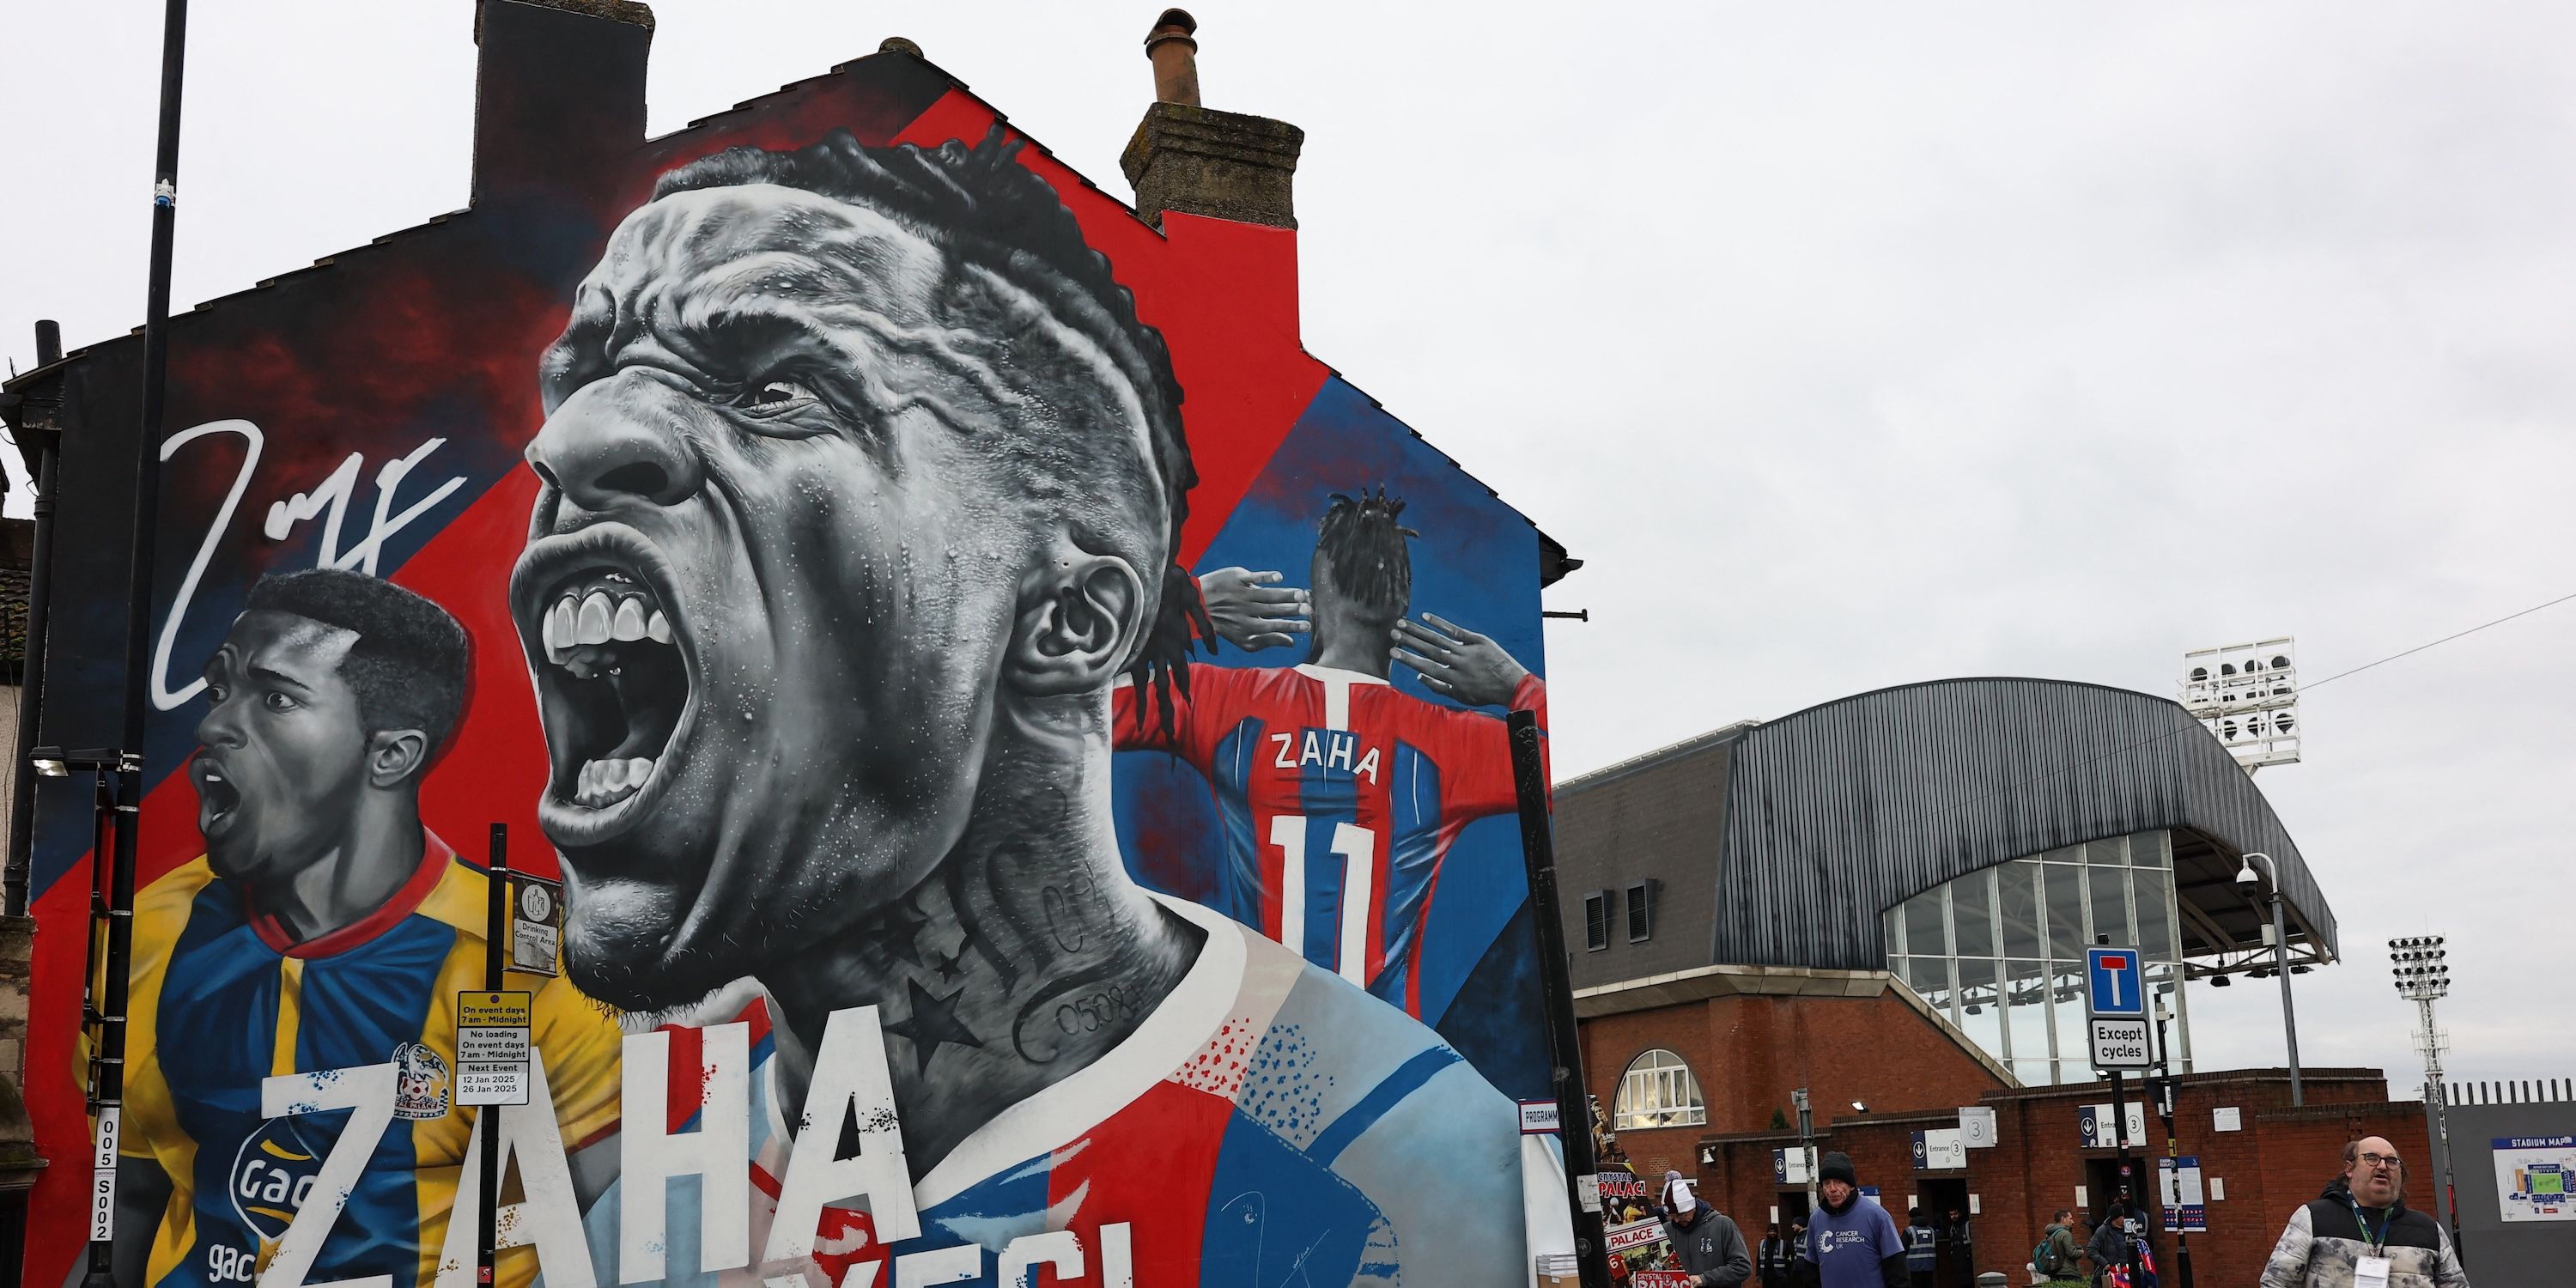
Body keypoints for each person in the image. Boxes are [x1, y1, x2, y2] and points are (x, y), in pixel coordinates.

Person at [513, 125, 1530, 1285]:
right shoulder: (647, 1205)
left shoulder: (1384, 1179)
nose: (569, 436)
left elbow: (1151, 707)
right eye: (586, 373)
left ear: (1071, 623)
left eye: (779, 388)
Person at [112, 569, 624, 1288]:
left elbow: (596, 1225)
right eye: (220, 690)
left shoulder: (525, 963)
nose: (213, 725)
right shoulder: (154, 932)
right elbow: (132, 1199)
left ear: (391, 755)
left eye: (277, 697)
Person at [1115, 489, 1546, 1012]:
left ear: (1315, 598)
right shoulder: (1447, 745)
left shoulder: (1223, 705)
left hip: (1264, 1064)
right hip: (1386, 1075)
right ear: (1401, 608)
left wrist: (1187, 611)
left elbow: (1065, 701)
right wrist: (1517, 687)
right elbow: (1556, 770)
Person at [2258, 1135, 2469, 1287]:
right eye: (2372, 1158)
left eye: (2391, 1161)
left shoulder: (2428, 1229)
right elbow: (2276, 1282)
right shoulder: (2313, 1218)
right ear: (2349, 1169)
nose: (2383, 1166)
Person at [1791, 1152, 1905, 1288]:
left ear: (1851, 1185)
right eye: (1827, 1183)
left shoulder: (1877, 1216)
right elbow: (1811, 1273)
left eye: (1839, 1182)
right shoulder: (1816, 1220)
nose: (1832, 1189)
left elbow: (1898, 1273)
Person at [1657, 1171, 1753, 1288]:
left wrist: (1704, 1279)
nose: (1676, 1221)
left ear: (1691, 1207)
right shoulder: (1666, 1231)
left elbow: (1742, 1267)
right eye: (1672, 1217)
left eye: (1680, 1215)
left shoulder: (1723, 1225)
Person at [2033, 1209, 2085, 1286]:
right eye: (2070, 1219)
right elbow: (2071, 1253)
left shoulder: (2051, 1233)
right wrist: (2081, 1252)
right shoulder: (2065, 1233)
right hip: (2068, 1272)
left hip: (2055, 1271)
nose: (2073, 1222)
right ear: (2063, 1219)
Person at [1904, 1206, 1937, 1287]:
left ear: (1911, 1217)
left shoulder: (1909, 1231)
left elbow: (1903, 1248)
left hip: (1914, 1267)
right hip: (1929, 1265)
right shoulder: (1931, 1230)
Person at [1758, 1220, 1795, 1288]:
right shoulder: (1762, 1244)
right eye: (1771, 1231)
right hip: (1766, 1277)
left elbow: (1789, 1258)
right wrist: (1758, 1274)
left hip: (1779, 1277)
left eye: (1774, 1231)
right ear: (1767, 1232)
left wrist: (1787, 1273)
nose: (1772, 1233)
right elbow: (1758, 1260)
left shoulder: (1784, 1244)